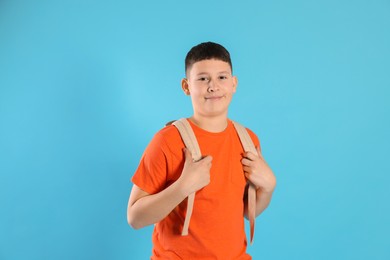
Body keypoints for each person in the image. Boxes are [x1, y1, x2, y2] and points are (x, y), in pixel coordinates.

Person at [127, 42, 276, 259]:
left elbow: (246, 211)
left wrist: (269, 187)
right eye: (203, 78)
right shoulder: (167, 141)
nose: (213, 86)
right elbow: (135, 218)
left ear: (234, 84)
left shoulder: (248, 140)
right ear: (186, 86)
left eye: (222, 77)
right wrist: (183, 187)